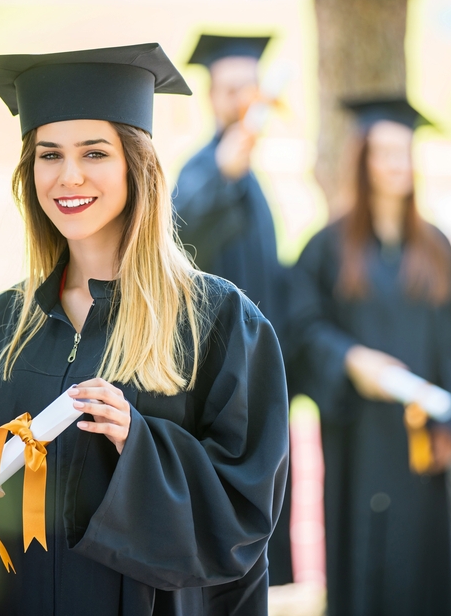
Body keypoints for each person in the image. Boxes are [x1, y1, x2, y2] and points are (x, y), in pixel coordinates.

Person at [0, 43, 289, 616]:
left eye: (95, 152)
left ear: (138, 164)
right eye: (49, 154)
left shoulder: (218, 324)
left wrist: (139, 441)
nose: (69, 175)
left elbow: (243, 517)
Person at [285, 98, 451, 616]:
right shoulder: (326, 248)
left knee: (422, 566)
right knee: (365, 568)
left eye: (406, 152)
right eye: (385, 151)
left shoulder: (435, 247)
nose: (398, 163)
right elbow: (299, 331)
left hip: (420, 444)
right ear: (362, 160)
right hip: (359, 441)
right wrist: (350, 359)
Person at [173, 33, 294, 585]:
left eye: (251, 88)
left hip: (257, 378)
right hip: (214, 382)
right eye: (231, 89)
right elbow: (183, 229)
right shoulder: (201, 171)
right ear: (213, 97)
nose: (242, 99)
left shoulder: (255, 183)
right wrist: (225, 170)